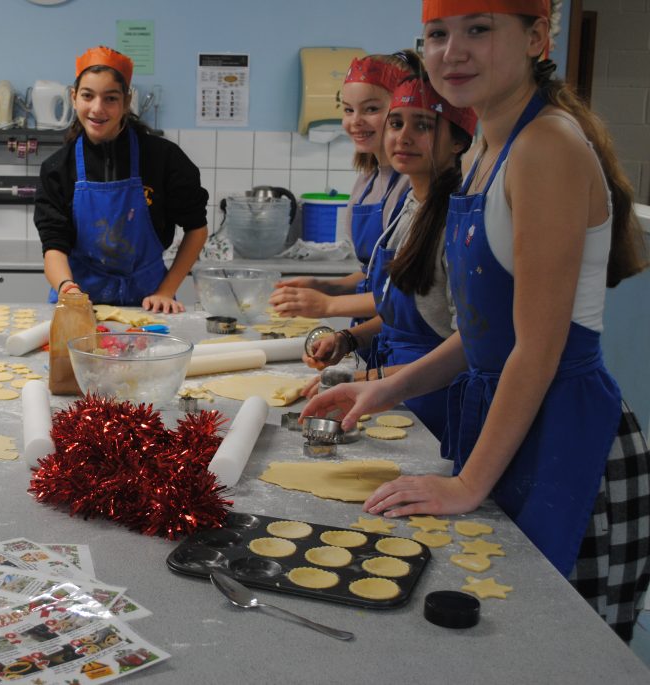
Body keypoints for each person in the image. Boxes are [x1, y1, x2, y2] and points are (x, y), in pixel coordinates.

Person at [306, 0, 649, 639]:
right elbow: (487, 332)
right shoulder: (487, 150)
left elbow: (539, 348)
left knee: (555, 649)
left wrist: (466, 485)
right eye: (437, 34)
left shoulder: (545, 145)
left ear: (538, 38)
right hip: (509, 418)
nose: (452, 52)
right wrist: (388, 389)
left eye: (479, 30)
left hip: (569, 438)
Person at [304, 74, 476, 440]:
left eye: (423, 126)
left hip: (437, 403)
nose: (403, 136)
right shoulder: (410, 206)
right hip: (396, 390)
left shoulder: (457, 224)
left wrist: (366, 378)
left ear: (459, 142)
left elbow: (466, 349)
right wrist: (349, 339)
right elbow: (402, 312)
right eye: (396, 123)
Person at [35, 46, 209, 313]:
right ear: (73, 97)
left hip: (148, 301)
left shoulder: (163, 158)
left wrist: (166, 290)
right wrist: (67, 288)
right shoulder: (58, 168)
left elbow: (196, 229)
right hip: (80, 302)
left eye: (110, 98)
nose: (97, 108)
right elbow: (54, 244)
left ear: (126, 102)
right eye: (87, 96)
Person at [269, 52, 414, 326]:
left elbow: (409, 296)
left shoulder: (412, 186)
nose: (355, 120)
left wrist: (329, 304)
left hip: (399, 334)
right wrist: (327, 286)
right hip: (369, 335)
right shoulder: (367, 181)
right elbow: (374, 273)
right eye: (348, 109)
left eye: (371, 109)